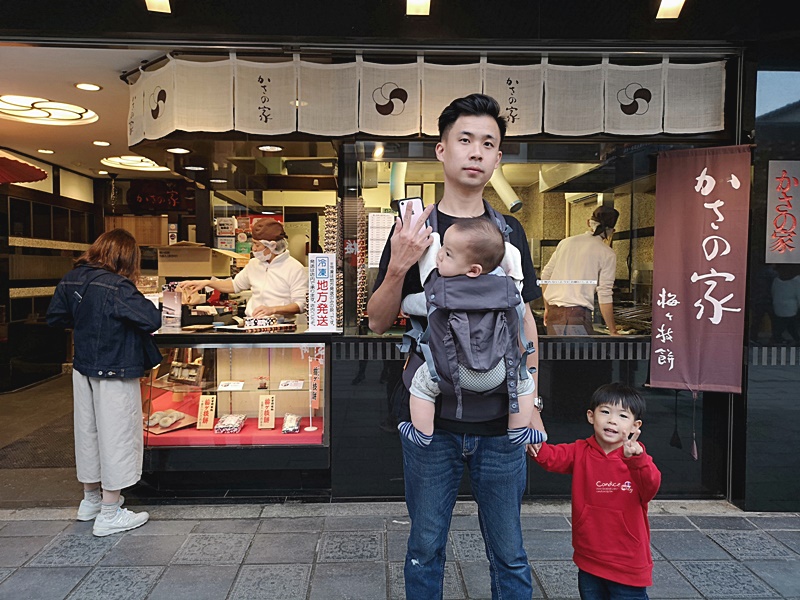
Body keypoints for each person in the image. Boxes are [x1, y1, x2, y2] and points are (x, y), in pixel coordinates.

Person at [369, 93, 543, 599]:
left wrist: (533, 401)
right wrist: (401, 262)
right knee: (424, 548)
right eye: (464, 140)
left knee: (509, 552)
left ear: (498, 158)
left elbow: (525, 320)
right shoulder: (414, 231)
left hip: (501, 423)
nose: (476, 151)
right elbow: (378, 323)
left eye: (488, 143)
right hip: (432, 423)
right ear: (442, 150)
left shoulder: (509, 233)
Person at [46, 229, 162, 537]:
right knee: (118, 435)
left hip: (82, 367)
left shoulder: (72, 278)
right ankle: (110, 512)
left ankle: (90, 501)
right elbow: (151, 319)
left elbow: (56, 317)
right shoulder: (117, 286)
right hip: (115, 367)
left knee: (89, 433)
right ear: (127, 257)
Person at [399, 217, 547, 448]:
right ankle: (518, 430)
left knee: (421, 386)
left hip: (449, 375)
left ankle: (422, 432)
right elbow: (521, 315)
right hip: (498, 374)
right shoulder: (509, 292)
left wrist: (405, 303)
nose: (439, 255)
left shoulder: (438, 293)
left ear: (473, 269)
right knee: (524, 384)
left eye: (447, 254)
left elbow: (409, 304)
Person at [529, 382, 661, 600]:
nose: (612, 420)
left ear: (636, 426)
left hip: (627, 563)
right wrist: (531, 440)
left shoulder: (637, 460)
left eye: (622, 416)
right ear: (591, 416)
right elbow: (551, 457)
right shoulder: (580, 451)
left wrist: (637, 460)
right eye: (605, 412)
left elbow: (652, 486)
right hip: (589, 557)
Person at [178, 218, 307, 317]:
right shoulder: (253, 264)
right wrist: (208, 283)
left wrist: (273, 309)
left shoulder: (294, 268)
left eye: (257, 245)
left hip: (281, 327)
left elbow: (300, 305)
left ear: (272, 246)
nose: (254, 249)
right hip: (252, 323)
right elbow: (235, 286)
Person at [540, 204, 620, 335]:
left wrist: (548, 307)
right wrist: (613, 330)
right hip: (577, 316)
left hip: (555, 314)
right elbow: (604, 293)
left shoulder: (565, 243)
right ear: (612, 230)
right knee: (578, 355)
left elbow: (545, 276)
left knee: (556, 355)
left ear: (589, 223)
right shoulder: (607, 253)